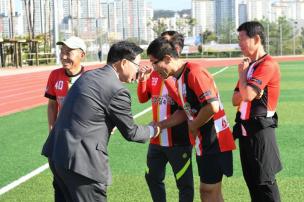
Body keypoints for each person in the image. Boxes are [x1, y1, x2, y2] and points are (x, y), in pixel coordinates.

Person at [42, 41, 161, 202]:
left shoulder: (89, 75)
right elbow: (131, 132)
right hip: (81, 164)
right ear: (124, 63)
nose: (139, 69)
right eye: (137, 64)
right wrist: (154, 129)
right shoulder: (117, 90)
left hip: (57, 155)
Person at [147, 37, 236, 202]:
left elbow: (212, 106)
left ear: (167, 58)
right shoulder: (179, 77)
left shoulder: (194, 72)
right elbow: (184, 111)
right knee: (209, 191)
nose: (153, 68)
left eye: (154, 63)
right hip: (204, 142)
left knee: (209, 191)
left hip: (214, 139)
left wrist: (193, 125)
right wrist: (161, 125)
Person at [138, 31, 194, 202]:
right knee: (153, 178)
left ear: (175, 49)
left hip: (178, 140)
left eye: (164, 43)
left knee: (184, 184)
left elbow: (185, 108)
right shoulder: (156, 72)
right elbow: (142, 98)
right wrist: (143, 80)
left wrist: (168, 79)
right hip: (156, 140)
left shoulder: (184, 74)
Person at [232, 21, 282, 202]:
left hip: (261, 132)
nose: (239, 43)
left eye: (242, 39)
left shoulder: (267, 64)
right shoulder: (250, 66)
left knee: (265, 183)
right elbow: (235, 99)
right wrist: (246, 86)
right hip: (246, 131)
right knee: (252, 182)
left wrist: (243, 78)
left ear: (257, 39)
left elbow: (246, 94)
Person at [44, 36, 87, 202]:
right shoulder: (55, 75)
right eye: (62, 51)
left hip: (82, 141)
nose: (63, 56)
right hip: (61, 138)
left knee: (79, 184)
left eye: (68, 52)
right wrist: (51, 128)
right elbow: (52, 104)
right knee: (60, 182)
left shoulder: (90, 77)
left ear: (81, 55)